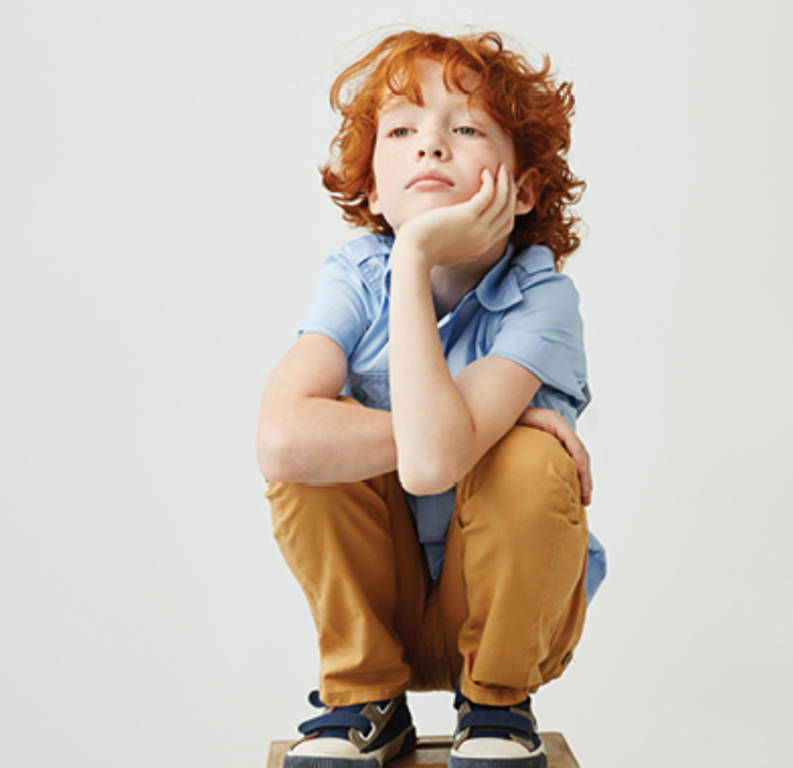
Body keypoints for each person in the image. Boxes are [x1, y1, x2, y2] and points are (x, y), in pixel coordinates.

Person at [257, 29, 607, 768]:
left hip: (512, 616)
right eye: (403, 129)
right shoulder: (356, 275)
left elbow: (432, 465)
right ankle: (364, 699)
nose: (432, 145)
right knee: (312, 464)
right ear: (374, 189)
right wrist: (409, 263)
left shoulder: (541, 300)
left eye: (468, 128)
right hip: (384, 605)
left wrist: (482, 434)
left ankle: (498, 705)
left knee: (527, 456)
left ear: (525, 188)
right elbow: (283, 441)